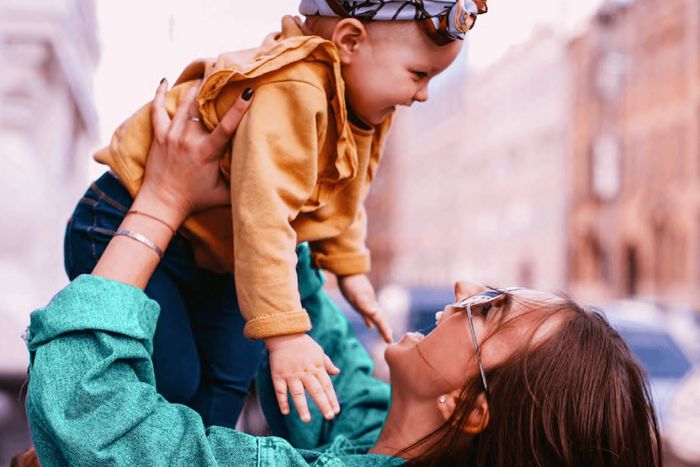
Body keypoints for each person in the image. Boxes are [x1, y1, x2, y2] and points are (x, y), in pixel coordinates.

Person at [24, 82, 662, 466]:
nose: (467, 289)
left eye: (492, 309)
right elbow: (313, 332)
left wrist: (162, 201)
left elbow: (93, 416)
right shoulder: (374, 429)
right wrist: (276, 173)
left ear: (466, 411)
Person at [63, 0, 488, 428]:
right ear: (350, 42)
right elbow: (263, 216)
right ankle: (58, 452)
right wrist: (287, 335)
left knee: (230, 374)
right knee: (173, 378)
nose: (423, 94)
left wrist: (350, 267)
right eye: (419, 74)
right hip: (122, 220)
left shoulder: (362, 106)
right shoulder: (294, 88)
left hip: (214, 255)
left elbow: (344, 188)